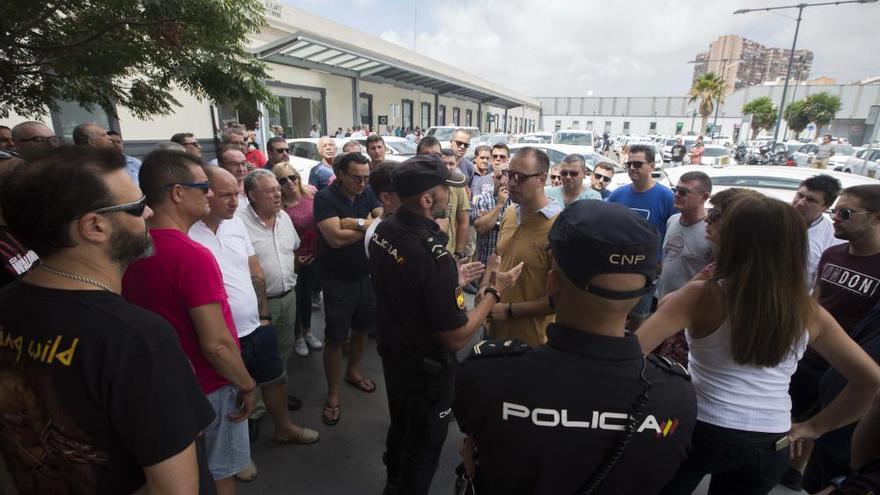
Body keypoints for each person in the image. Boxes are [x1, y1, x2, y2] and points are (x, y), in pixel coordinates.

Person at [0, 146, 216, 494]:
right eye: (134, 206)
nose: (148, 211)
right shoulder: (137, 338)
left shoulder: (7, 301)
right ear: (94, 226)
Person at [637, 196, 880, 495]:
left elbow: (632, 353)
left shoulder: (701, 295)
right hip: (771, 439)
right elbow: (870, 381)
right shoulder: (808, 311)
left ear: (736, 238)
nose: (713, 226)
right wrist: (814, 428)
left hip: (697, 427)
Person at [454, 200, 697, 495]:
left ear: (552, 284)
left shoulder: (490, 373)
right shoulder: (675, 393)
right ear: (644, 292)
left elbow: (473, 443)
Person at [369, 154, 523, 495]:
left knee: (401, 429)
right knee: (423, 450)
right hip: (426, 372)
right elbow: (456, 337)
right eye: (446, 190)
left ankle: (393, 483)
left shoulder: (386, 227)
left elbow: (405, 285)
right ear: (426, 200)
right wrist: (495, 291)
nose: (453, 196)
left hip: (394, 356)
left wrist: (447, 279)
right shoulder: (431, 254)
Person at [123, 149, 257, 494]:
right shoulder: (192, 256)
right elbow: (216, 344)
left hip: (161, 386)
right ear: (178, 193)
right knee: (219, 474)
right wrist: (246, 384)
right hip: (209, 387)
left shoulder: (128, 247)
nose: (210, 194)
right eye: (203, 187)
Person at [190, 167, 319, 480]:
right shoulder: (190, 232)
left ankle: (284, 427)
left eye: (234, 194)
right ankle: (238, 453)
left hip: (261, 318)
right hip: (223, 330)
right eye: (226, 195)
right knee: (233, 389)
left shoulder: (235, 225)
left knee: (275, 374)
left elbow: (254, 268)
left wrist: (261, 315)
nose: (233, 201)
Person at [787, 184, 880, 488]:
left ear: (876, 218)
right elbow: (814, 302)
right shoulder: (833, 254)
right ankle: (789, 470)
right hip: (809, 359)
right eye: (834, 211)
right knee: (795, 422)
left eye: (845, 212)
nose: (835, 218)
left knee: (828, 441)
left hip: (849, 373)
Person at [313, 152, 382, 426]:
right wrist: (369, 226)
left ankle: (353, 371)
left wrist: (356, 222)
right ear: (340, 174)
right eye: (356, 177)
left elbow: (382, 217)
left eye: (366, 178)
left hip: (366, 277)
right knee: (335, 338)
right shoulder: (325, 198)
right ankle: (333, 393)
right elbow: (335, 239)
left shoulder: (366, 193)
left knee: (362, 330)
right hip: (337, 280)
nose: (362, 183)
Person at [486, 147, 561, 347]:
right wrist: (484, 288)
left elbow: (559, 300)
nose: (511, 183)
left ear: (541, 179)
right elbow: (496, 255)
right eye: (510, 175)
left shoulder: (559, 227)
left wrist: (509, 310)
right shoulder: (510, 212)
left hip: (530, 342)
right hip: (493, 330)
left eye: (520, 177)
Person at [608, 144, 675, 330]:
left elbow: (676, 230)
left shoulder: (666, 197)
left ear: (652, 166)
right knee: (614, 316)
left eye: (637, 164)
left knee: (639, 318)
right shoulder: (617, 195)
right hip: (617, 268)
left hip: (647, 272)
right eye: (628, 164)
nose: (631, 168)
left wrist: (662, 262)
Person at [653, 171, 714, 367]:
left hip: (687, 313)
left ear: (704, 197)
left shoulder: (711, 231)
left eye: (684, 192)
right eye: (675, 190)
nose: (677, 195)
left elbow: (716, 275)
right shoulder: (672, 220)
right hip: (660, 302)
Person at [272, 162, 324, 357]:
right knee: (297, 297)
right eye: (282, 180)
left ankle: (307, 331)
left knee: (308, 295)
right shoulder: (279, 205)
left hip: (316, 255)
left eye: (292, 177)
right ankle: (297, 336)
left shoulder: (312, 194)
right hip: (292, 259)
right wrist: (295, 258)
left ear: (298, 177)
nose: (289, 183)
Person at [792, 175, 845, 289]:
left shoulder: (833, 238)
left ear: (826, 206)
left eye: (811, 200)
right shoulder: (772, 218)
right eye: (800, 195)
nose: (800, 203)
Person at [471, 161, 510, 266]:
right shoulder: (483, 198)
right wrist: (499, 206)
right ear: (492, 179)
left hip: (506, 263)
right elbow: (481, 228)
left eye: (506, 177)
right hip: (484, 262)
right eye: (498, 177)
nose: (502, 182)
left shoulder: (517, 202)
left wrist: (490, 216)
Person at [440, 149, 471, 258]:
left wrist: (459, 252)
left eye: (451, 164)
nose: (448, 167)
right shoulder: (431, 186)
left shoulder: (458, 186)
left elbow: (463, 221)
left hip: (451, 253)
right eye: (444, 164)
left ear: (456, 164)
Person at [217, 145, 250, 211]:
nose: (241, 169)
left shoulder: (255, 188)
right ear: (221, 166)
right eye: (233, 164)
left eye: (243, 163)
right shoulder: (217, 196)